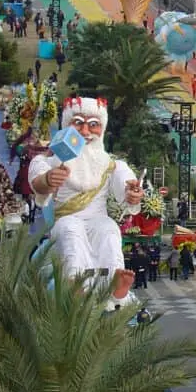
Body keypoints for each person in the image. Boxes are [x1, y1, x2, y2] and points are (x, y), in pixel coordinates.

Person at [28, 96, 143, 302]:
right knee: (72, 232)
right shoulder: (50, 159)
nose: (85, 132)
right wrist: (48, 179)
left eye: (93, 125)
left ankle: (115, 283)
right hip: (67, 217)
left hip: (98, 217)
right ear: (67, 126)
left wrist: (132, 193)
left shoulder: (109, 164)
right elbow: (37, 181)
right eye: (78, 123)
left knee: (109, 231)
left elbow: (125, 184)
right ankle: (74, 283)